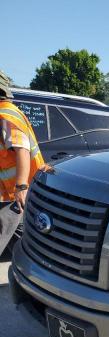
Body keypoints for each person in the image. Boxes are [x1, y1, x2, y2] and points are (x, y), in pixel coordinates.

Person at [0, 70, 46, 257]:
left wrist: (21, 187)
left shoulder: (5, 115)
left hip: (11, 196)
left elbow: (22, 150)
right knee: (24, 245)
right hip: (10, 195)